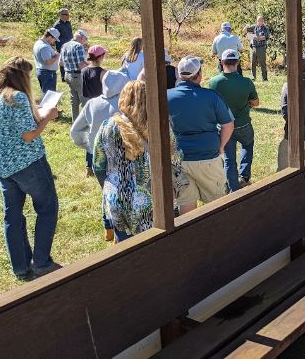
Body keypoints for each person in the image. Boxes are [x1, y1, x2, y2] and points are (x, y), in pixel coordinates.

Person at [0, 57, 60, 280]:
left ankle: (21, 267)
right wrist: (48, 117)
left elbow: (13, 126)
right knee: (47, 208)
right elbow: (28, 135)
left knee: (13, 217)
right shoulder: (18, 98)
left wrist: (38, 113)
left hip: (3, 166)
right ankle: (42, 262)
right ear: (21, 77)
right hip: (28, 163)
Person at [93, 80, 188, 242]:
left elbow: (98, 164)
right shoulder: (160, 125)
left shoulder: (107, 126)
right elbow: (176, 158)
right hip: (154, 199)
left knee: (126, 252)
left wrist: (110, 186)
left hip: (118, 199)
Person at [168, 55, 234, 213]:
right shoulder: (212, 96)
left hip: (179, 159)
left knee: (186, 204)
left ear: (179, 75)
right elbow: (228, 125)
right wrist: (221, 147)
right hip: (208, 157)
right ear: (199, 74)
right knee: (218, 204)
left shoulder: (166, 96)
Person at [71, 71, 129, 240]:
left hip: (100, 159)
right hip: (124, 157)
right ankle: (121, 233)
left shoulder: (92, 104)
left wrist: (89, 147)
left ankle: (108, 229)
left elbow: (75, 131)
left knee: (107, 193)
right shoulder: (126, 104)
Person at [208, 49, 259, 191]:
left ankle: (233, 188)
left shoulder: (214, 82)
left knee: (229, 159)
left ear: (222, 62)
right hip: (243, 124)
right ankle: (244, 177)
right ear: (237, 62)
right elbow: (255, 103)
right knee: (247, 146)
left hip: (224, 127)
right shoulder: (246, 82)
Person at [60, 29, 89, 121]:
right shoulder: (78, 46)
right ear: (81, 37)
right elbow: (81, 65)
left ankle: (75, 121)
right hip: (77, 76)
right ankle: (86, 123)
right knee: (85, 100)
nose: (86, 41)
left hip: (68, 74)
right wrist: (91, 67)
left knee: (74, 101)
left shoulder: (65, 45)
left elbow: (61, 63)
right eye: (86, 39)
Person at [32, 28, 61, 94]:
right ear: (50, 37)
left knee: (46, 93)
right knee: (49, 96)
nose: (54, 41)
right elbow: (48, 62)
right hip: (48, 73)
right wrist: (57, 56)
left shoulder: (38, 43)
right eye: (54, 39)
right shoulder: (44, 47)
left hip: (43, 72)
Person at [53, 8, 73, 82]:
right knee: (63, 61)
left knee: (69, 60)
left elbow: (70, 34)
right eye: (66, 14)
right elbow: (54, 37)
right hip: (61, 46)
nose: (68, 16)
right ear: (61, 15)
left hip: (70, 45)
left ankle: (68, 75)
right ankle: (63, 77)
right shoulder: (57, 25)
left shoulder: (68, 23)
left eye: (68, 14)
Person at [250, 15, 269, 81]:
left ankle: (264, 78)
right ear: (256, 21)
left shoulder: (265, 28)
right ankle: (253, 77)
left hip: (261, 47)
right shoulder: (253, 27)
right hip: (253, 47)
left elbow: (264, 37)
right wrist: (246, 27)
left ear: (263, 21)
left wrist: (256, 38)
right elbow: (246, 33)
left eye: (261, 21)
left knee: (262, 63)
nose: (260, 22)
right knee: (253, 63)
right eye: (258, 20)